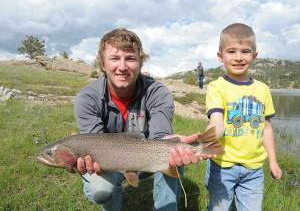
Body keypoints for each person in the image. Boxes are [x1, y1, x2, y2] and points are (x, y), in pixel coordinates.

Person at [74, 28, 210, 211]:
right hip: (109, 164)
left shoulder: (157, 92)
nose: (122, 67)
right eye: (114, 58)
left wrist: (174, 144)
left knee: (172, 155)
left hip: (149, 158)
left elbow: (162, 136)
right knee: (99, 190)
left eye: (130, 58)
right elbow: (94, 147)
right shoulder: (87, 98)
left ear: (140, 62)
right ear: (102, 63)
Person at [205, 23, 282, 211]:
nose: (238, 57)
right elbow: (216, 120)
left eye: (245, 51)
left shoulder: (263, 89)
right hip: (222, 167)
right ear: (220, 56)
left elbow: (266, 127)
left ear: (254, 56)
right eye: (231, 51)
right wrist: (206, 139)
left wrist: (272, 160)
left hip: (254, 170)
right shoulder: (216, 87)